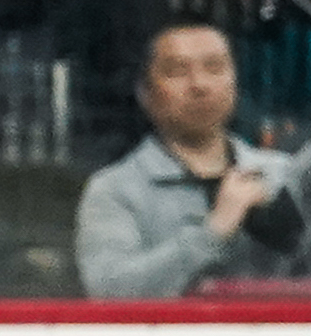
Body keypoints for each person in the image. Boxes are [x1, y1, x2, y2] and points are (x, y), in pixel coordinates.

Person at [75, 20, 292, 297]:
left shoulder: (280, 173)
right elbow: (110, 293)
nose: (199, 85)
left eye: (214, 68)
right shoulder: (114, 189)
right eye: (178, 71)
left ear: (235, 83)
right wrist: (213, 232)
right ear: (145, 93)